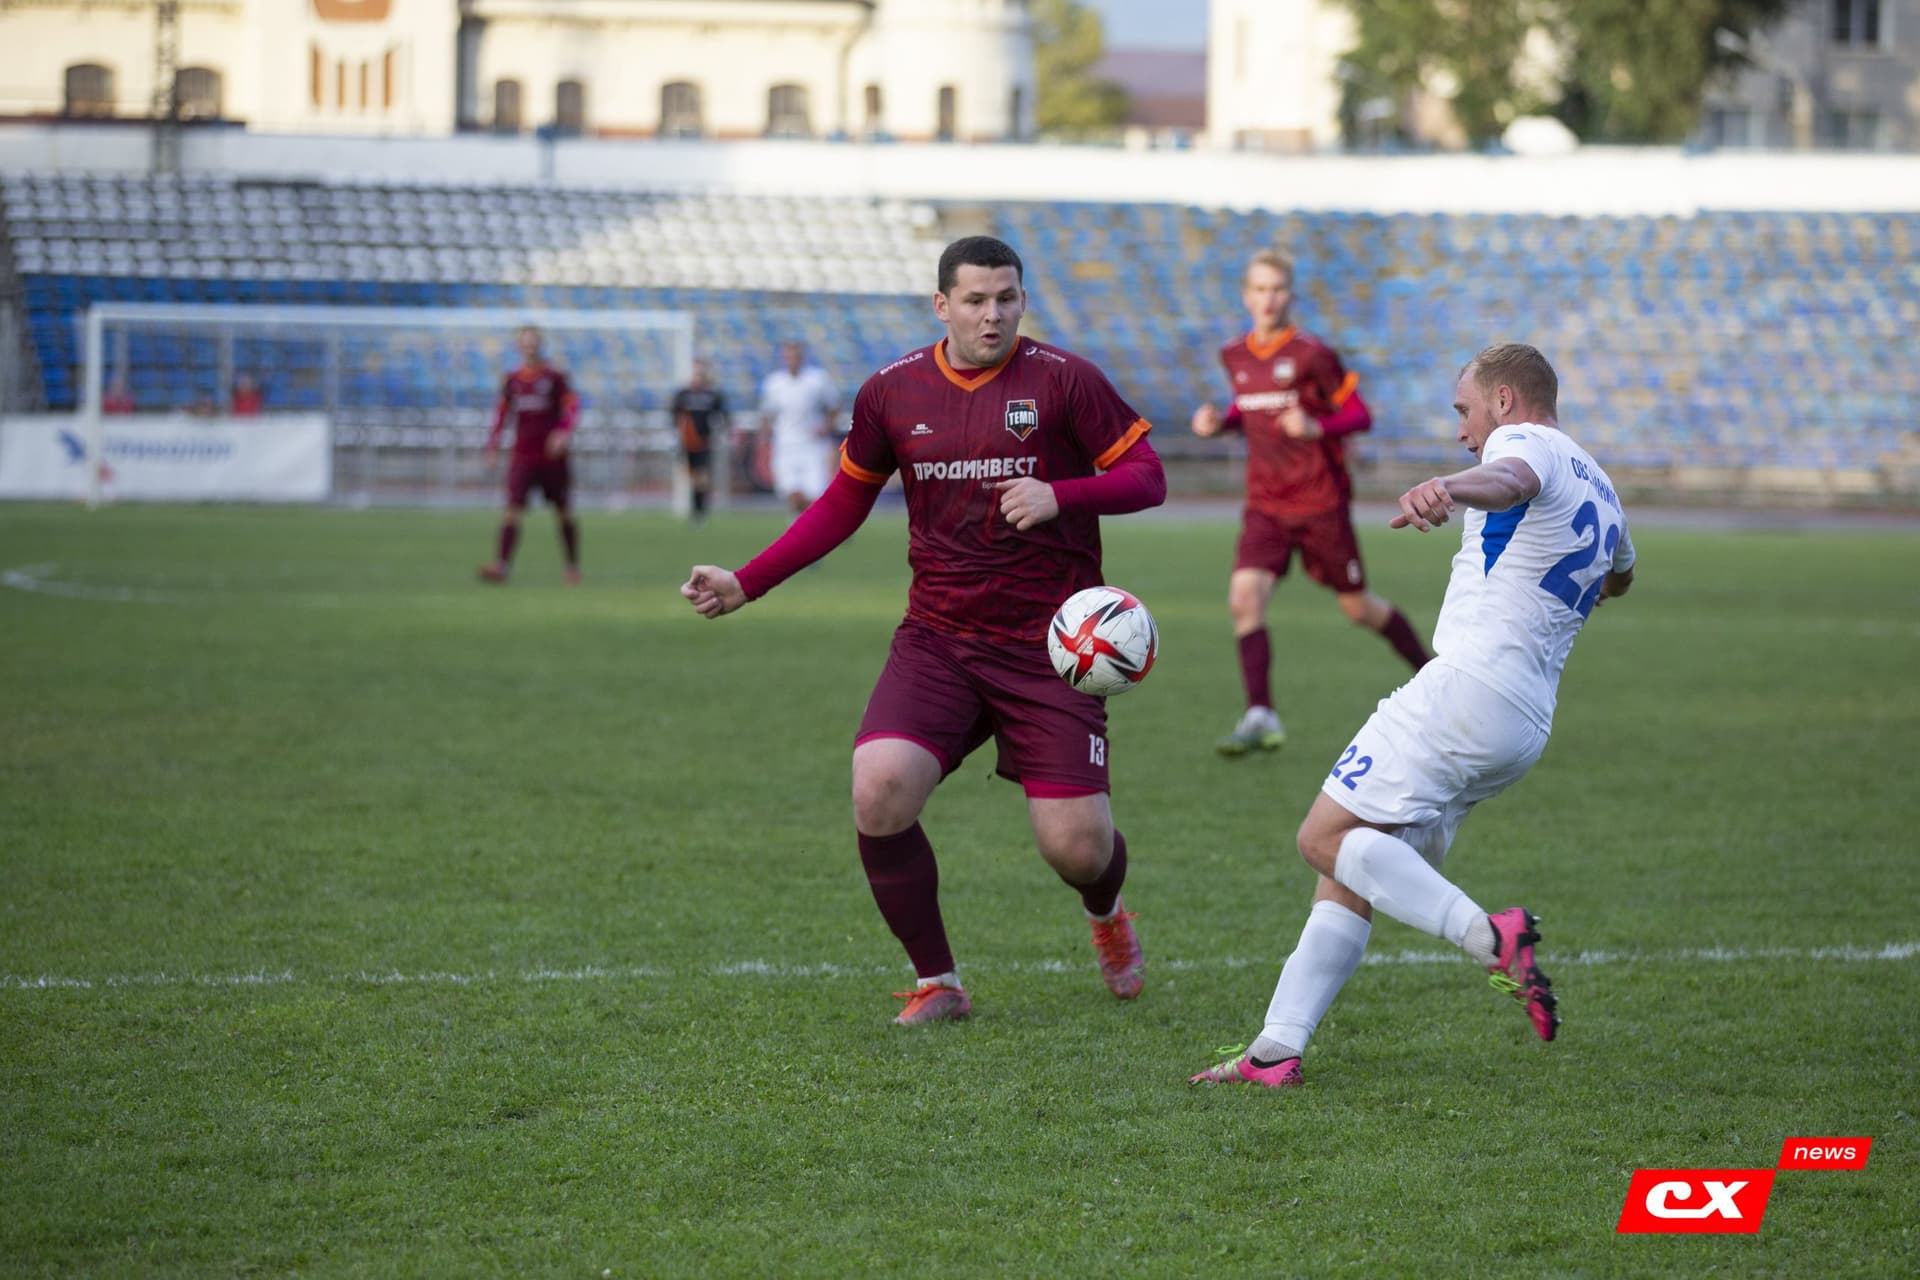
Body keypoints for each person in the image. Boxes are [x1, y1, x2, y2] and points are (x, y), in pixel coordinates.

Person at [682, 235, 1168, 1026]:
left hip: (1052, 649)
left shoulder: (1065, 380)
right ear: (941, 305)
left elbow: (1148, 477)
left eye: (1007, 297)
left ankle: (1107, 914)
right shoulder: (892, 393)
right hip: (939, 639)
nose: (993, 314)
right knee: (879, 791)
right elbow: (843, 503)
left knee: (1076, 850)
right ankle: (938, 982)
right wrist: (747, 581)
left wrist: (1061, 495)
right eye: (975, 300)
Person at [1191, 343, 1636, 1088]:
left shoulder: (1524, 446)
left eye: (1465, 411)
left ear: (1503, 401)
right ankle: (1275, 1050)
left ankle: (1490, 936)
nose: (1462, 430)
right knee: (1359, 864)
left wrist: (1451, 487)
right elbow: (1621, 575)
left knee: (1323, 837)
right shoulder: (1603, 487)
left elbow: (1508, 476)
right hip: (1523, 720)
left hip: (1465, 689)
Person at [1191, 250, 1432, 757]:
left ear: (1290, 295)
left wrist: (1318, 426)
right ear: (1246, 296)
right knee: (1244, 599)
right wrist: (1221, 423)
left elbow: (1360, 414)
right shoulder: (1234, 354)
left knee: (1358, 608)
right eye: (1259, 289)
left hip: (1320, 502)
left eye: (1277, 289)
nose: (1268, 299)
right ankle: (1260, 714)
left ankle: (1434, 677)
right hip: (1265, 503)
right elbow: (1250, 409)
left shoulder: (1313, 354)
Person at [479, 325, 581, 585]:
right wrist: (493, 444)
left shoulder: (555, 377)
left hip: (552, 458)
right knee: (512, 510)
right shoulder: (511, 380)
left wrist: (563, 432)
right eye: (525, 342)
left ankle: (572, 567)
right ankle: (501, 566)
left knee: (563, 511)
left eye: (533, 342)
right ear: (519, 346)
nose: (530, 346)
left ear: (540, 345)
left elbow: (572, 408)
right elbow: (502, 414)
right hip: (523, 455)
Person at [758, 340, 840, 512]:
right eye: (788, 356)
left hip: (812, 445)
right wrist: (765, 436)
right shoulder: (775, 383)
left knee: (814, 495)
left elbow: (834, 407)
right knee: (792, 494)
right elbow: (767, 413)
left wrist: (826, 427)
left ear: (802, 357)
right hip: (785, 445)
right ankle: (805, 532)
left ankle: (822, 529)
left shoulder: (817, 379)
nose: (792, 359)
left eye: (796, 355)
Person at [671, 358, 729, 525]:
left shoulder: (712, 395)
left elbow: (723, 416)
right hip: (687, 443)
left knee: (701, 477)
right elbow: (674, 416)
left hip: (704, 443)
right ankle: (695, 511)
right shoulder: (683, 395)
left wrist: (720, 429)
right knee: (693, 479)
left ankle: (700, 512)